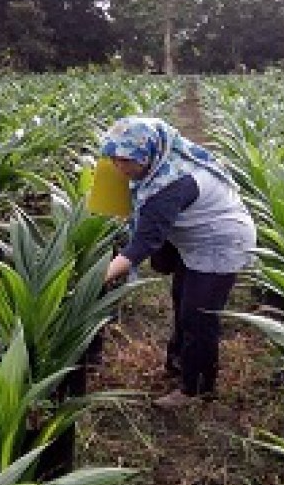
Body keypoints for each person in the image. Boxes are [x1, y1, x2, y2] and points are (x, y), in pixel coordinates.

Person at [100, 116, 255, 407]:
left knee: (198, 315)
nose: (118, 167)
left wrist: (97, 278)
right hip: (193, 238)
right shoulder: (161, 160)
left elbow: (142, 246)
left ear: (147, 155)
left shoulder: (170, 185)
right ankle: (178, 365)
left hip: (220, 241)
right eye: (113, 158)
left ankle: (196, 390)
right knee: (181, 298)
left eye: (125, 161)